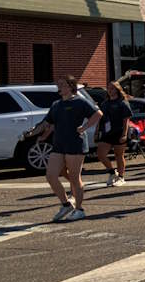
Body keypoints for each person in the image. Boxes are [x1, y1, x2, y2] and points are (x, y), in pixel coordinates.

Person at [36, 76, 102, 221]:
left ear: (71, 86)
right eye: (58, 85)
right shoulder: (56, 104)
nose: (59, 87)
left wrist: (84, 127)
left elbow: (98, 114)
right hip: (59, 144)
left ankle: (79, 209)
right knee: (51, 175)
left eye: (62, 84)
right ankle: (66, 205)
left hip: (75, 144)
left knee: (74, 178)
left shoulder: (79, 101)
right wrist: (37, 133)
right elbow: (48, 122)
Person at [96, 81, 132, 187]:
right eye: (108, 88)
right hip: (107, 132)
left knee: (119, 155)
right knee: (101, 154)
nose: (110, 90)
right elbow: (100, 119)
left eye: (112, 88)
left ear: (117, 89)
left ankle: (121, 177)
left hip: (119, 131)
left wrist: (124, 134)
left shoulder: (122, 102)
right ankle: (112, 172)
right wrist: (96, 131)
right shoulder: (105, 103)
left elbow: (126, 120)